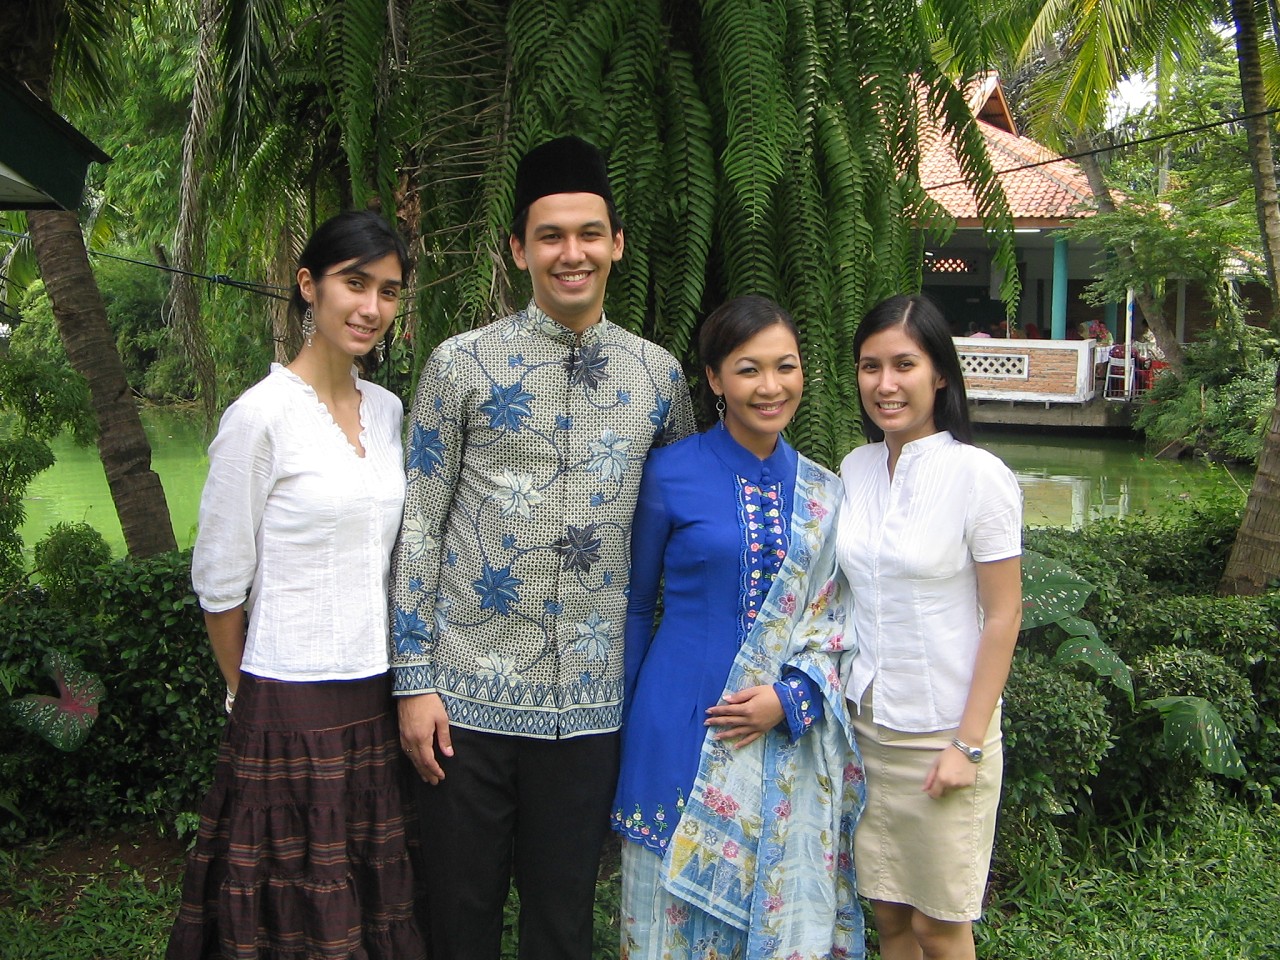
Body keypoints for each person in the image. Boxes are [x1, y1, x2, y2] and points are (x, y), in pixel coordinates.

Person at [389, 135, 696, 960]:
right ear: (519, 249)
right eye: (551, 236)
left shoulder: (659, 378)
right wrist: (413, 680)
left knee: (562, 929)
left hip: (592, 713)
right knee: (460, 924)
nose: (573, 253)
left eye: (590, 233)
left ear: (617, 243)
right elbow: (419, 525)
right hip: (463, 706)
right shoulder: (460, 366)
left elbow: (680, 536)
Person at [167, 210, 424, 960]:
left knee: (367, 899)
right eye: (354, 283)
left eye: (388, 290)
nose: (371, 307)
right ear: (309, 286)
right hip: (286, 700)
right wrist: (247, 697)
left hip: (375, 693)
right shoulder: (260, 416)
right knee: (292, 910)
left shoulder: (388, 411)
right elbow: (220, 583)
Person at [613, 296, 865, 960]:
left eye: (786, 366)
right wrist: (625, 726)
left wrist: (791, 699)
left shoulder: (824, 493)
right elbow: (637, 607)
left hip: (781, 736)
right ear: (715, 378)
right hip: (678, 724)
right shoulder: (669, 473)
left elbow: (838, 622)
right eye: (749, 369)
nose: (771, 386)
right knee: (667, 922)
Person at [836, 294, 1023, 960]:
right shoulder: (854, 469)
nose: (885, 384)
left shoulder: (980, 477)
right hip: (865, 730)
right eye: (870, 367)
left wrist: (966, 746)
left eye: (904, 365)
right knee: (889, 917)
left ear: (939, 373)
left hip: (943, 733)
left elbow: (1004, 615)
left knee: (939, 928)